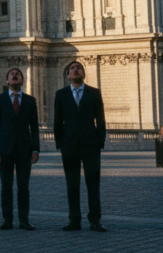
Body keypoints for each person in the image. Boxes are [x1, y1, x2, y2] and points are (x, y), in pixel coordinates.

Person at [54, 60, 107, 232]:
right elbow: (57, 121)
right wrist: (60, 143)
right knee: (72, 184)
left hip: (90, 145)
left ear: (83, 74)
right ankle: (74, 220)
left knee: (93, 183)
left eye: (78, 68)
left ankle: (95, 220)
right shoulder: (60, 94)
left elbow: (100, 120)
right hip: (69, 145)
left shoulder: (94, 93)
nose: (75, 70)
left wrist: (99, 142)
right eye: (72, 68)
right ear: (68, 75)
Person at [0, 68, 41, 231]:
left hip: (24, 149)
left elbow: (34, 126)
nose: (14, 75)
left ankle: (24, 220)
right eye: (12, 74)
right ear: (7, 81)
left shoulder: (30, 100)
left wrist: (36, 149)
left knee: (23, 187)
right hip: (4, 148)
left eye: (18, 74)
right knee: (6, 187)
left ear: (22, 80)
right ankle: (7, 220)